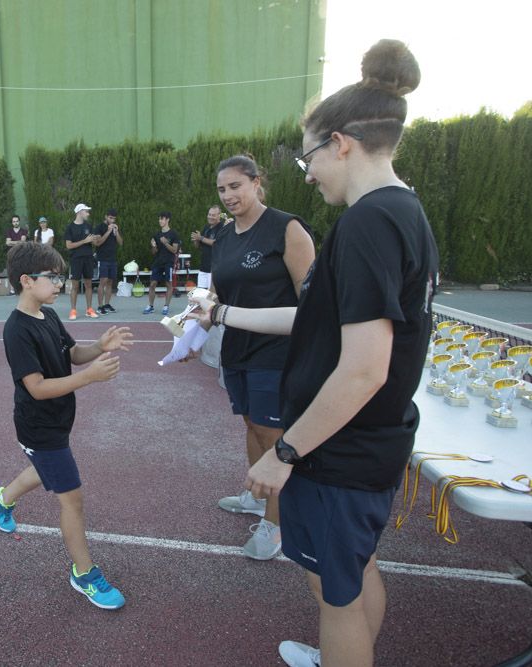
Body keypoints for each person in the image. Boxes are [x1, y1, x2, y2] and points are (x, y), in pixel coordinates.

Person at [193, 41, 436, 667]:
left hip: (341, 449)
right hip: (370, 440)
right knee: (352, 576)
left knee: (335, 595)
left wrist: (286, 451)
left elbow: (363, 367)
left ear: (342, 142)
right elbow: (316, 321)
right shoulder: (402, 212)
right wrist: (221, 314)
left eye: (309, 155)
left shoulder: (367, 223)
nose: (306, 172)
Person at [0, 241, 134, 610]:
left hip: (56, 420)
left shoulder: (48, 315)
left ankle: (1, 498)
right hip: (39, 425)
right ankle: (83, 573)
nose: (60, 284)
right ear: (26, 280)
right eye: (53, 278)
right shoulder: (16, 330)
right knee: (72, 499)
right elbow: (35, 388)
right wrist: (89, 378)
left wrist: (99, 346)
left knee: (43, 468)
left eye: (61, 277)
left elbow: (71, 354)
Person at [208, 155, 315, 561]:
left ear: (256, 183)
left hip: (277, 352)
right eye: (222, 189)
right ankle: (256, 495)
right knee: (252, 424)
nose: (229, 195)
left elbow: (311, 299)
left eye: (236, 186)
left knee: (274, 437)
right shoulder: (225, 237)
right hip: (237, 349)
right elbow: (218, 295)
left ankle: (276, 524)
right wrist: (189, 330)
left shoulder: (286, 228)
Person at [64, 203, 99, 320]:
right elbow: (69, 245)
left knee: (89, 285)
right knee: (75, 286)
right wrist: (84, 241)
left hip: (88, 258)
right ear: (79, 212)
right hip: (76, 260)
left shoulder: (89, 226)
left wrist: (95, 239)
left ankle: (89, 309)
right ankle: (73, 311)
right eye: (86, 211)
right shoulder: (70, 228)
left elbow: (94, 242)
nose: (88, 214)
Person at [143, 212, 182, 316]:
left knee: (168, 284)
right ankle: (150, 306)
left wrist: (165, 243)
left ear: (168, 220)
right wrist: (153, 246)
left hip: (168, 263)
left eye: (162, 219)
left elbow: (174, 250)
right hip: (157, 263)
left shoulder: (174, 234)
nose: (160, 221)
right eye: (159, 219)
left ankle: (166, 306)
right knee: (152, 284)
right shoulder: (156, 235)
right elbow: (153, 252)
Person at [93, 208, 123, 314]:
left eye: (114, 218)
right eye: (110, 218)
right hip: (103, 258)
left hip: (112, 259)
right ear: (106, 217)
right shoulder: (99, 227)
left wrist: (116, 232)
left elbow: (120, 243)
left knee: (110, 282)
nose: (112, 220)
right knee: (103, 281)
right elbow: (98, 243)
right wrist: (108, 231)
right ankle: (100, 306)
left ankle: (107, 304)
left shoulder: (115, 228)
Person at [191, 206, 227, 289]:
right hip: (203, 267)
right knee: (201, 294)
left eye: (213, 215)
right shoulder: (206, 227)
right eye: (209, 214)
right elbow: (198, 246)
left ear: (219, 216)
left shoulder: (222, 227)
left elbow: (217, 243)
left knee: (212, 296)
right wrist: (196, 240)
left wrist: (200, 238)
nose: (210, 217)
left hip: (215, 269)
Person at [4, 215, 27, 295]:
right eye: (14, 221)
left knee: (22, 271)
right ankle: (12, 290)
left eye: (17, 221)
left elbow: (23, 242)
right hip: (11, 254)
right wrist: (18, 242)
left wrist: (12, 242)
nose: (15, 223)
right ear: (12, 223)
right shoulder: (9, 231)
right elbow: (7, 243)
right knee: (11, 271)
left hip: (21, 254)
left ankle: (22, 289)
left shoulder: (23, 231)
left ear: (19, 221)